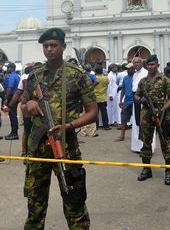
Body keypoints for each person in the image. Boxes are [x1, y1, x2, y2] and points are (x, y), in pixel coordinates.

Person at [21, 27, 97, 229]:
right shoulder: (35, 76)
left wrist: (69, 126)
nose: (49, 49)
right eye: (46, 46)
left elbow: (92, 112)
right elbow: (23, 105)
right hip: (38, 148)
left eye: (53, 45)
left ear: (63, 46)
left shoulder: (76, 75)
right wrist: (28, 105)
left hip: (66, 146)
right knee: (35, 203)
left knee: (74, 200)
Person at [135, 54, 170, 185]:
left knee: (165, 143)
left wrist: (165, 109)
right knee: (146, 143)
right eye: (148, 65)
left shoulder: (164, 80)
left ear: (158, 65)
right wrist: (140, 100)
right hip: (146, 115)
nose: (150, 67)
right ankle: (146, 169)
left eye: (153, 64)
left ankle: (169, 172)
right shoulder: (143, 81)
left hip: (162, 115)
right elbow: (136, 95)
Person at [131, 57, 148, 152]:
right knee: (136, 122)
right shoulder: (134, 74)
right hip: (135, 99)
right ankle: (137, 146)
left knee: (143, 122)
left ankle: (145, 146)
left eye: (138, 62)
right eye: (134, 63)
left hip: (143, 99)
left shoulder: (145, 73)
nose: (136, 64)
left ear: (142, 63)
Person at [116, 63, 135, 141]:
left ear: (133, 69)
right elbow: (123, 89)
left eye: (130, 69)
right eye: (127, 69)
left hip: (134, 102)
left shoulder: (136, 77)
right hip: (127, 101)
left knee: (137, 120)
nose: (128, 70)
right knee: (123, 119)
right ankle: (122, 136)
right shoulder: (125, 78)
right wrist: (121, 100)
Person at [3, 62, 21, 140]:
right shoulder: (16, 76)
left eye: (8, 68)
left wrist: (6, 99)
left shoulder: (12, 77)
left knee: (12, 115)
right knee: (12, 114)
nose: (7, 69)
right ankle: (13, 132)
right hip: (15, 97)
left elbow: (10, 88)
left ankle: (14, 133)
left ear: (12, 68)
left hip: (12, 97)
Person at [94, 61, 111, 130]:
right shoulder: (105, 78)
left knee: (96, 113)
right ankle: (106, 125)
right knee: (104, 112)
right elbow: (107, 84)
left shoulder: (94, 78)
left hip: (95, 96)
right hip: (103, 96)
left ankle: (96, 126)